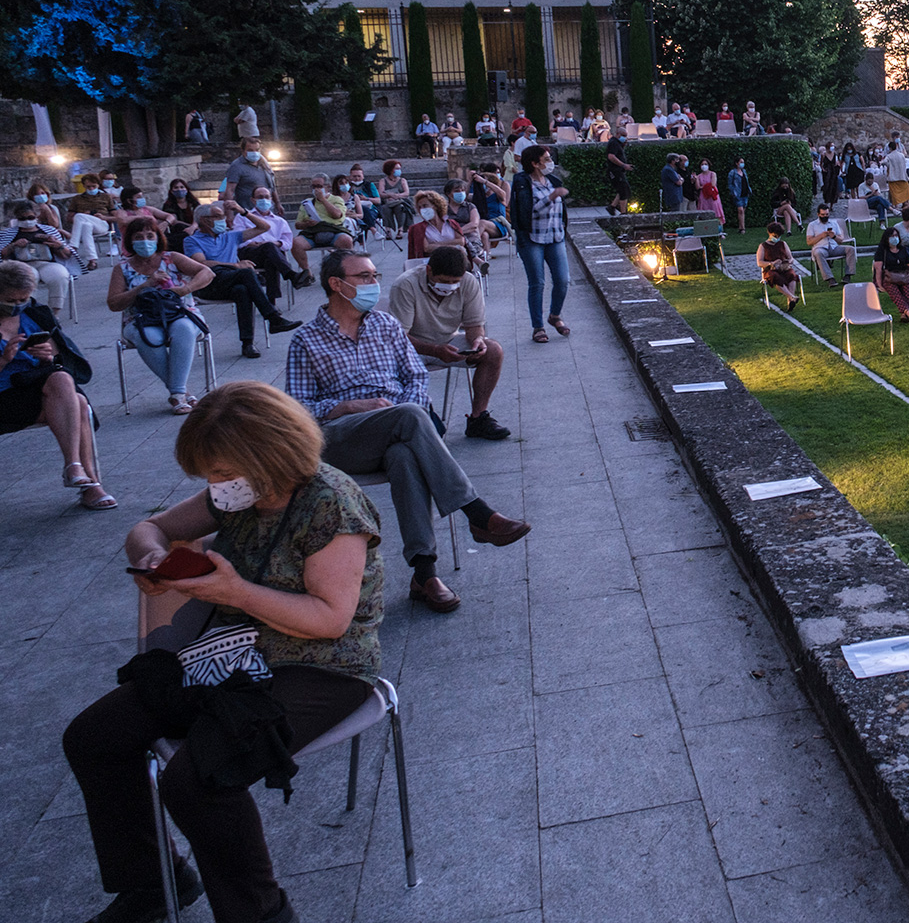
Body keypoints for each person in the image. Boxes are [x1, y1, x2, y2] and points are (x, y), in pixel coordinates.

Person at [61, 380, 384, 923]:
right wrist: (154, 561)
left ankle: (261, 916)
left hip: (324, 667)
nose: (214, 486)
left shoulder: (331, 505)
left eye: (219, 473)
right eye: (208, 476)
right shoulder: (236, 492)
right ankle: (154, 884)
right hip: (234, 652)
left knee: (198, 779)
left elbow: (329, 621)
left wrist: (234, 592)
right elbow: (150, 526)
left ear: (268, 458)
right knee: (93, 737)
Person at [288, 248, 530, 614]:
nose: (373, 283)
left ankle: (424, 573)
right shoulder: (307, 340)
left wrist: (402, 407)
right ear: (336, 285)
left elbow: (415, 376)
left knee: (404, 453)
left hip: (394, 425)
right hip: (337, 436)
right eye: (364, 277)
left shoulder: (384, 326)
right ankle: (476, 513)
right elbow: (296, 411)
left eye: (374, 276)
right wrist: (348, 406)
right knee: (410, 417)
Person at [0, 259, 112, 508]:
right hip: (4, 396)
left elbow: (65, 359)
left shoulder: (36, 315)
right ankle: (89, 483)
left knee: (63, 380)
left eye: (23, 299)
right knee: (78, 402)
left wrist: (49, 355)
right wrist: (4, 360)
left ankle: (76, 469)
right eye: (10, 300)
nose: (17, 306)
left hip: (37, 386)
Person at [385, 246, 512, 442]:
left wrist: (477, 341)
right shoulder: (406, 285)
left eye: (455, 282)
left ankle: (479, 417)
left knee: (493, 350)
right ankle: (416, 418)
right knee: (390, 364)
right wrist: (435, 351)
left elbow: (474, 325)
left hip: (448, 339)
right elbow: (398, 337)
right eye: (444, 282)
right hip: (411, 346)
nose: (450, 286)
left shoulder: (469, 282)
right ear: (429, 271)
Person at [108, 216, 216, 414]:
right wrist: (143, 286)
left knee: (182, 329)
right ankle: (182, 393)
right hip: (141, 318)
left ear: (158, 238)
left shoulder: (171, 258)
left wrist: (184, 289)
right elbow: (114, 304)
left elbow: (207, 273)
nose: (145, 241)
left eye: (150, 236)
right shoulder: (122, 268)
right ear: (130, 241)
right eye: (139, 237)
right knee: (149, 337)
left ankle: (177, 394)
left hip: (180, 312)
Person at [183, 203, 303, 358]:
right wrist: (235, 265)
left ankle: (247, 343)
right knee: (245, 273)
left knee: (242, 290)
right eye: (219, 216)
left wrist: (243, 211)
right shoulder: (192, 241)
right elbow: (202, 264)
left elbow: (264, 227)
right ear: (205, 220)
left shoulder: (229, 236)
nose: (224, 220)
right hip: (209, 282)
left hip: (232, 280)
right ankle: (273, 318)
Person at [510, 145, 570, 343]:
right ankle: (538, 327)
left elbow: (560, 211)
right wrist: (551, 197)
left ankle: (554, 315)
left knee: (562, 280)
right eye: (546, 158)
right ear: (535, 163)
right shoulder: (522, 183)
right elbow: (528, 212)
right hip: (532, 238)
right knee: (537, 283)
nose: (550, 161)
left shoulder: (552, 181)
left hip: (555, 237)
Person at [2, 199, 81, 312]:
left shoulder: (49, 231)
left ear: (36, 216)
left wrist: (58, 245)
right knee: (28, 278)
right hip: (21, 264)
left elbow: (67, 254)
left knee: (60, 275)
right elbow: (2, 255)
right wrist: (13, 245)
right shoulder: (8, 234)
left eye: (30, 217)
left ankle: (54, 312)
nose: (27, 221)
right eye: (22, 218)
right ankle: (29, 311)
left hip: (46, 262)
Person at [874, 222, 909, 321]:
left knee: (908, 291)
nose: (894, 238)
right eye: (892, 236)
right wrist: (879, 284)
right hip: (888, 278)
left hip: (903, 276)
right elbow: (878, 268)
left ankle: (905, 314)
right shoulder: (882, 251)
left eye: (896, 236)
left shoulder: (903, 249)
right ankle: (908, 311)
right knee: (895, 292)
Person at [297, 174, 356, 251]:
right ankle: (303, 263)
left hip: (334, 230)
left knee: (346, 240)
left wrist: (323, 200)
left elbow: (337, 215)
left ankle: (345, 262)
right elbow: (297, 225)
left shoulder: (337, 199)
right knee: (296, 243)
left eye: (319, 186)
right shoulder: (307, 202)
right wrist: (306, 224)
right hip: (313, 232)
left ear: (328, 186)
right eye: (313, 187)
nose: (316, 189)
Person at [806, 205, 857, 286]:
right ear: (818, 214)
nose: (825, 216)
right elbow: (809, 242)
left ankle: (848, 276)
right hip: (821, 247)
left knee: (850, 249)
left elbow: (840, 240)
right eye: (823, 215)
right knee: (818, 253)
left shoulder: (834, 223)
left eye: (827, 214)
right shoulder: (812, 225)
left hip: (834, 247)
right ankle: (830, 278)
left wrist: (834, 236)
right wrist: (821, 236)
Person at [405, 189, 461, 262]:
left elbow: (461, 241)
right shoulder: (418, 228)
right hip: (432, 262)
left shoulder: (452, 223)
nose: (422, 209)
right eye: (420, 207)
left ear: (435, 205)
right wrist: (454, 246)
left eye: (425, 206)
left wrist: (435, 244)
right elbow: (427, 248)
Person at [757, 222, 802, 312]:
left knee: (792, 275)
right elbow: (759, 262)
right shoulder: (763, 246)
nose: (777, 238)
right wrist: (771, 263)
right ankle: (792, 297)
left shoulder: (783, 244)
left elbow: (790, 258)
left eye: (778, 236)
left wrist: (787, 262)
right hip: (770, 270)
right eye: (775, 235)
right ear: (769, 233)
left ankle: (790, 301)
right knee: (775, 277)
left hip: (783, 268)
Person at [218, 139, 274, 209]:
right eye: (250, 150)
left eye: (257, 150)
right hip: (246, 211)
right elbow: (230, 190)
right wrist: (230, 213)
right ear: (243, 151)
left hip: (268, 211)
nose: (254, 153)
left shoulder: (264, 165)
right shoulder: (236, 166)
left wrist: (277, 203)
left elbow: (272, 186)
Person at [376, 160, 412, 238]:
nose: (399, 170)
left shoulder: (402, 180)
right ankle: (388, 230)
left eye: (399, 168)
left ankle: (400, 229)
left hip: (399, 201)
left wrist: (397, 196)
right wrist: (389, 195)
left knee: (400, 208)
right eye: (397, 168)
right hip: (388, 202)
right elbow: (380, 193)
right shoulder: (383, 181)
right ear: (390, 170)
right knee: (385, 209)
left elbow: (406, 193)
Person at [604, 127, 634, 217]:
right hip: (615, 171)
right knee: (623, 190)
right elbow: (611, 156)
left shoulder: (617, 143)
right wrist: (623, 165)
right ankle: (623, 212)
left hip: (619, 170)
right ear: (618, 134)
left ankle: (612, 206)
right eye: (623, 136)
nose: (625, 137)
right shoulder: (613, 143)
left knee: (623, 189)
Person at [881, 140, 909, 212]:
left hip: (893, 177)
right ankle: (906, 203)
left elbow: (884, 162)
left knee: (894, 193)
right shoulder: (901, 155)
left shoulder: (889, 156)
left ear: (890, 148)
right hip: (902, 176)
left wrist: (889, 165)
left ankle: (895, 206)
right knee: (905, 191)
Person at [725, 156, 752, 233]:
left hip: (745, 193)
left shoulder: (744, 172)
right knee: (740, 210)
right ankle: (743, 228)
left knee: (743, 210)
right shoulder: (732, 173)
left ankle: (741, 226)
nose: (742, 164)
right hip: (737, 194)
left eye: (743, 162)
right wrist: (733, 192)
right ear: (736, 163)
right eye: (741, 162)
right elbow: (730, 184)